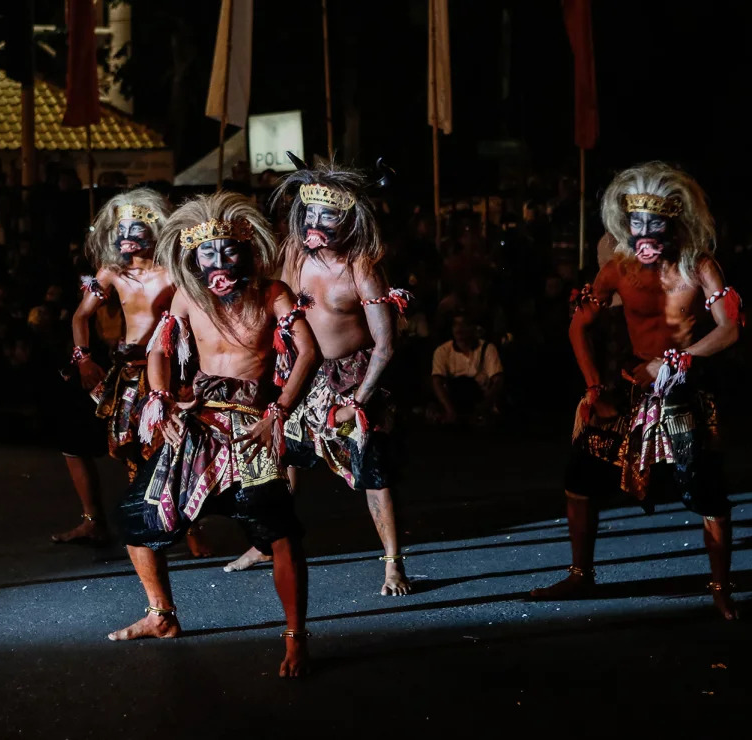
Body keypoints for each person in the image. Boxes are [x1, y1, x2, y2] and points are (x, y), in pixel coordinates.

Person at [107, 191, 317, 678]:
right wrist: (160, 401)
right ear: (193, 257)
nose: (219, 262)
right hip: (197, 424)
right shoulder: (187, 295)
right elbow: (159, 350)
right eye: (208, 253)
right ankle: (162, 615)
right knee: (138, 517)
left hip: (250, 429)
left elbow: (307, 352)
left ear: (246, 251)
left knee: (281, 535)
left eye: (227, 252)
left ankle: (295, 638)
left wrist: (278, 411)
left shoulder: (272, 293)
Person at [530, 162, 741, 620]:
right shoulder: (618, 269)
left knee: (705, 491)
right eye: (637, 222)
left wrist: (678, 360)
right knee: (581, 479)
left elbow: (729, 328)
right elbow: (578, 326)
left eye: (655, 222)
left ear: (675, 223)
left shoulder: (699, 267)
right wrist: (592, 387)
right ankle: (581, 575)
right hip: (629, 393)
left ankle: (721, 588)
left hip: (684, 396)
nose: (644, 231)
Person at [223, 163, 414, 596]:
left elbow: (385, 346)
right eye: (308, 214)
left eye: (326, 216)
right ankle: (265, 544)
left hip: (353, 378)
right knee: (278, 459)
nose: (314, 224)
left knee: (374, 475)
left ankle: (392, 565)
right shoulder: (292, 252)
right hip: (301, 372)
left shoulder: (361, 268)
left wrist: (359, 402)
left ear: (349, 219)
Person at [53, 188, 209, 556]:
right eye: (120, 230)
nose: (125, 238)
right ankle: (123, 521)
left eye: (134, 230)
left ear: (153, 232)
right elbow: (81, 316)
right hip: (124, 373)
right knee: (128, 448)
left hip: (168, 369)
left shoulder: (173, 271)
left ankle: (189, 526)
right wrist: (84, 359)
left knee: (172, 443)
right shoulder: (111, 272)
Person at [430, 313, 505, 424]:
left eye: (464, 324)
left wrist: (483, 406)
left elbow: (498, 379)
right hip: (453, 401)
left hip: (479, 401)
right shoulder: (443, 351)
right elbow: (437, 382)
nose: (459, 328)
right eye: (455, 324)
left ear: (474, 328)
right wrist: (449, 410)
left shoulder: (487, 349)